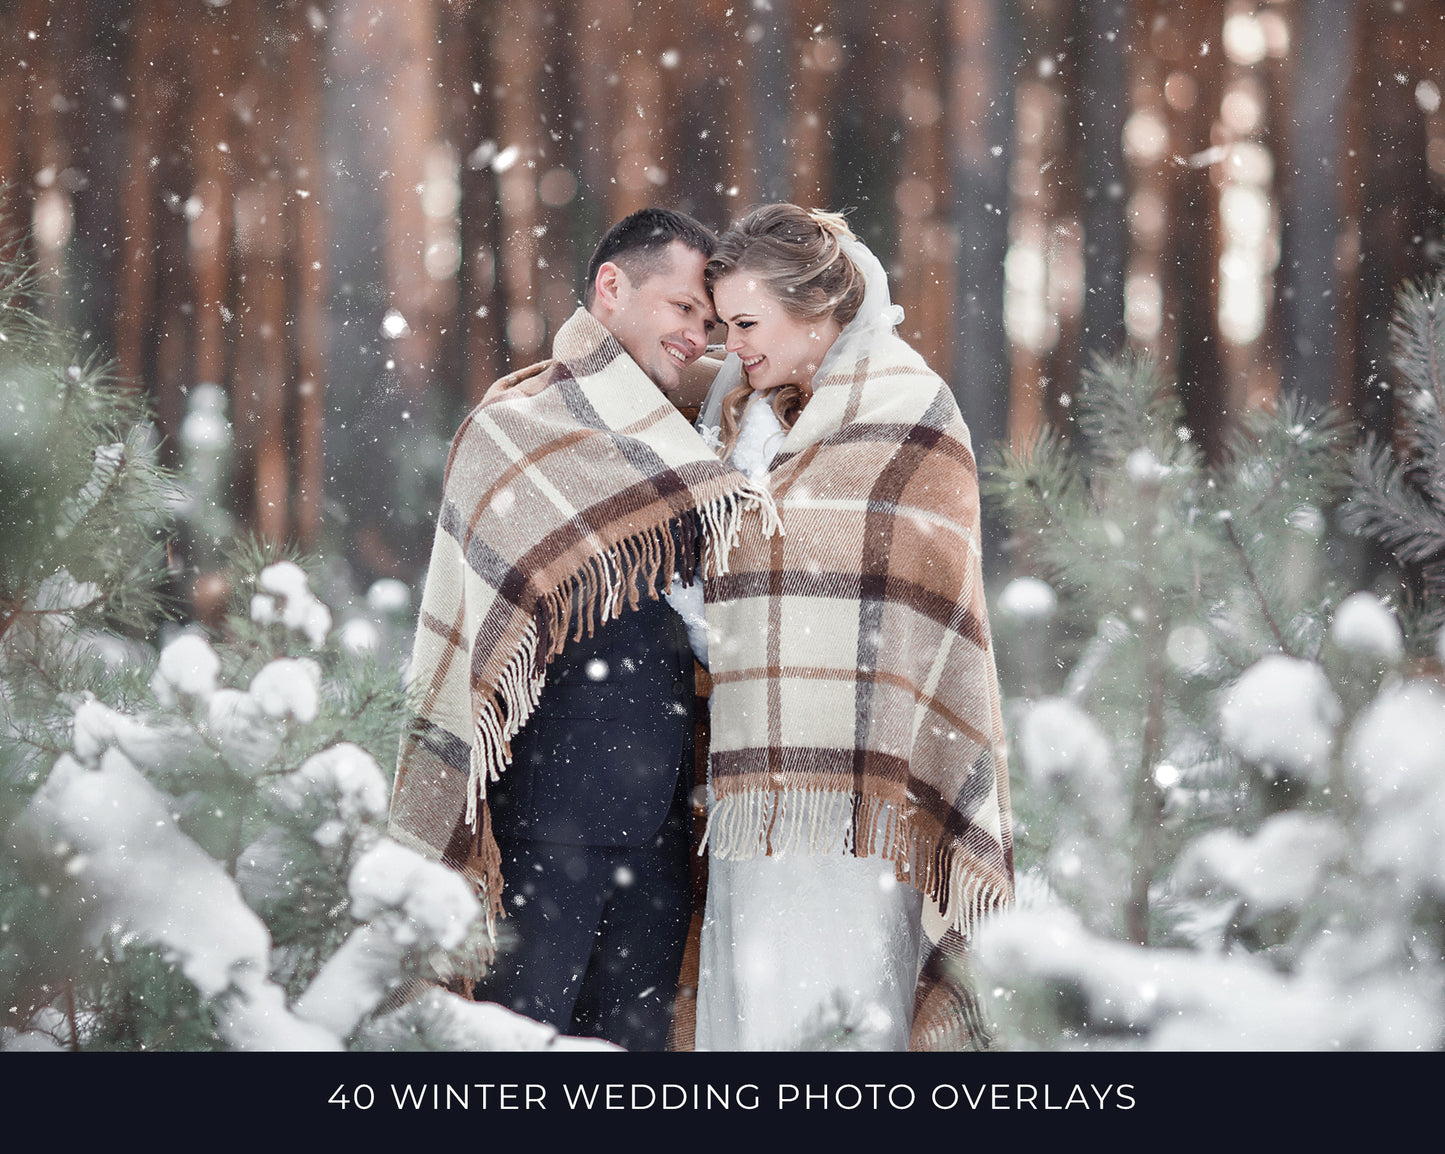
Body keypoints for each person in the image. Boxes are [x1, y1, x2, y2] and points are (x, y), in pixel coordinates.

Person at [387, 207, 778, 1051]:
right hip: (544, 835)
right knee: (513, 1056)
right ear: (611, 288)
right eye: (681, 309)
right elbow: (473, 644)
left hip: (667, 832)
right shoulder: (515, 429)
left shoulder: (701, 440)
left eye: (709, 323)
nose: (695, 336)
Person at [689, 204, 1015, 1051]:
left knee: (841, 1010)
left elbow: (925, 607)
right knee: (752, 1017)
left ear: (816, 308)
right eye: (723, 325)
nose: (733, 346)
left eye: (747, 322)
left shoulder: (912, 414)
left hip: (864, 796)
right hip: (749, 790)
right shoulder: (748, 425)